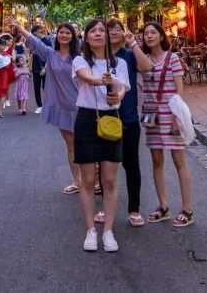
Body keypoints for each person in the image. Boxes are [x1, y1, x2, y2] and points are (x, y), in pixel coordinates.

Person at [72, 18, 129, 252]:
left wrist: (118, 95)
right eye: (93, 31)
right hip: (87, 118)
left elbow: (123, 87)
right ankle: (90, 230)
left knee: (109, 180)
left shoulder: (120, 62)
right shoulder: (79, 60)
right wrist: (101, 80)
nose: (98, 34)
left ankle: (108, 230)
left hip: (111, 118)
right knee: (87, 180)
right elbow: (86, 77)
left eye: (102, 31)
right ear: (85, 37)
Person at [11, 19, 81, 194]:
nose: (64, 35)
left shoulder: (80, 58)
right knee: (71, 145)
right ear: (57, 36)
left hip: (80, 106)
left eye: (68, 32)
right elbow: (34, 41)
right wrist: (20, 28)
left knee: (86, 144)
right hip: (60, 106)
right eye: (61, 32)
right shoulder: (51, 54)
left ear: (74, 36)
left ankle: (93, 180)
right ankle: (78, 181)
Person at [99, 18, 154, 228]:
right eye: (109, 29)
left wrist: (133, 43)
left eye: (117, 29)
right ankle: (106, 207)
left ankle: (134, 209)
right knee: (104, 165)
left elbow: (147, 67)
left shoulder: (129, 55)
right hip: (104, 117)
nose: (113, 32)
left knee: (131, 165)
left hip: (128, 117)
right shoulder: (98, 57)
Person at [141, 21, 193, 227]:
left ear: (162, 36)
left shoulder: (172, 58)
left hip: (170, 114)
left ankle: (187, 209)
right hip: (151, 114)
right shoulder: (143, 60)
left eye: (153, 32)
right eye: (145, 33)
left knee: (179, 160)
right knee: (156, 159)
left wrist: (175, 117)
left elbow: (179, 91)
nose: (149, 36)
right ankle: (163, 206)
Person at [30, 25, 49, 114]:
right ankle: (40, 106)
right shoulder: (34, 42)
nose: (35, 36)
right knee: (36, 87)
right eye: (33, 35)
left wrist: (45, 67)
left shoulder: (47, 41)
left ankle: (47, 106)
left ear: (39, 31)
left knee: (46, 87)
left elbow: (49, 56)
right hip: (35, 67)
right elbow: (32, 55)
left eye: (35, 34)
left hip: (45, 68)